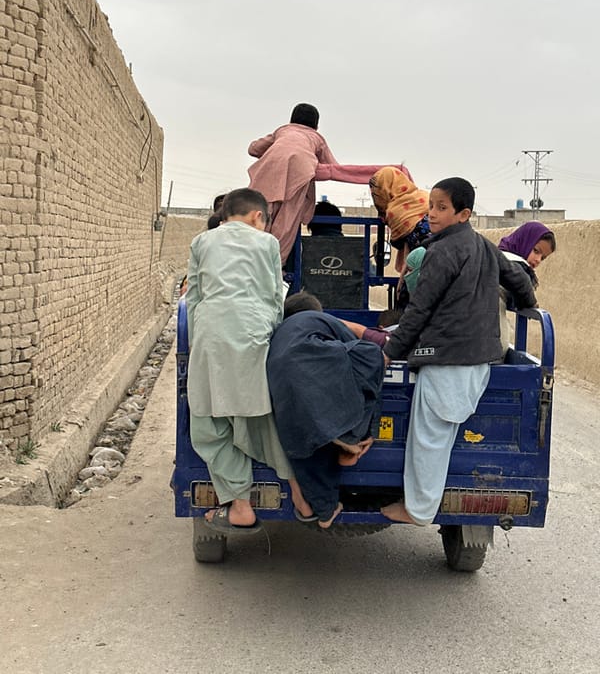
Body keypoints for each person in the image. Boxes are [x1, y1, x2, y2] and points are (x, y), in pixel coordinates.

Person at [379, 177, 537, 527]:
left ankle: (417, 511)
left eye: (441, 208)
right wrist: (529, 304)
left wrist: (391, 351)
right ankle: (420, 504)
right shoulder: (483, 245)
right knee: (439, 436)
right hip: (480, 360)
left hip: (447, 360)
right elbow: (520, 281)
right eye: (431, 205)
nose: (432, 214)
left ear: (463, 213)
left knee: (429, 440)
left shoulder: (441, 251)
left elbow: (420, 308)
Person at [186, 187, 311, 533]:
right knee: (264, 421)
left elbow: (194, 299)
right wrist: (271, 339)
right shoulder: (268, 244)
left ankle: (240, 505)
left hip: (212, 335)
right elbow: (274, 298)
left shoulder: (203, 242)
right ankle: (301, 495)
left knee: (209, 424)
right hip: (255, 336)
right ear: (259, 216)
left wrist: (199, 347)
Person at [267, 292, 385, 528]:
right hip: (316, 366)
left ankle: (325, 510)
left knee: (302, 445)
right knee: (372, 356)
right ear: (316, 311)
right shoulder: (318, 319)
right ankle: (355, 434)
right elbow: (355, 346)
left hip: (280, 385)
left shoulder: (279, 333)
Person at [247, 103, 413, 266]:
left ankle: (249, 264)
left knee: (257, 225)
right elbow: (334, 167)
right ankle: (273, 268)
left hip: (265, 180)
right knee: (285, 228)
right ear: (316, 126)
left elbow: (253, 149)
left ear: (291, 120)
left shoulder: (282, 131)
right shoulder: (316, 138)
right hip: (299, 176)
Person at [497, 221, 556, 352]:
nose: (538, 260)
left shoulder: (498, 256)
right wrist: (532, 304)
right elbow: (522, 286)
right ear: (524, 241)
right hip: (488, 315)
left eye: (543, 258)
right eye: (536, 251)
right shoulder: (514, 264)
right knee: (500, 349)